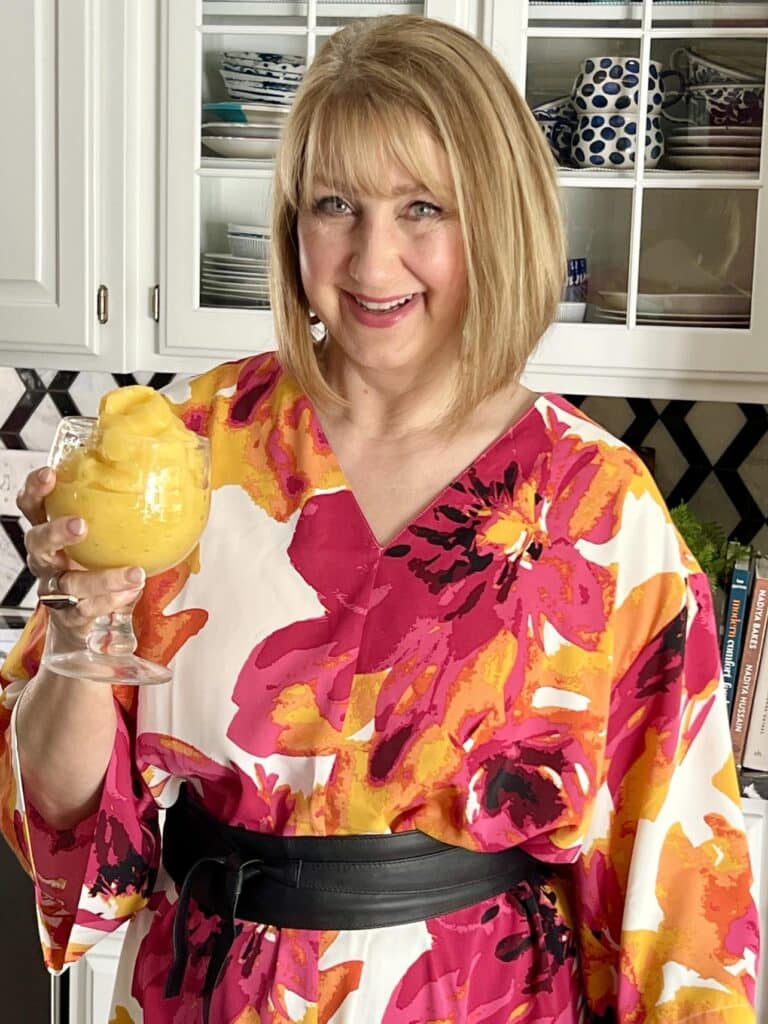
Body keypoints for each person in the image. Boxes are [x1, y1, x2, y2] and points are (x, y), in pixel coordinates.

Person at [0, 14, 759, 1024]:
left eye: (421, 209)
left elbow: (684, 900)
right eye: (335, 205)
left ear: (495, 219)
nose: (371, 258)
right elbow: (65, 817)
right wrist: (76, 640)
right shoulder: (188, 449)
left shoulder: (594, 504)